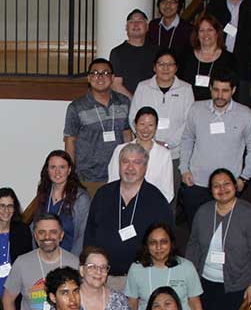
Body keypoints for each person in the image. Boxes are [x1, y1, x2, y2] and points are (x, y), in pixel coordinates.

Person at [185, 170, 251, 310]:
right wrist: (189, 277)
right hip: (204, 283)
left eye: (226, 184)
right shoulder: (204, 212)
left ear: (235, 186)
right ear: (211, 190)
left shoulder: (247, 212)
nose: (222, 189)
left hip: (235, 286)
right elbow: (193, 245)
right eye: (216, 186)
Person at [84, 142, 174, 290]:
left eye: (137, 162)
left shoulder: (157, 201)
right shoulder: (103, 195)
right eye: (125, 162)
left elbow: (167, 245)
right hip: (102, 279)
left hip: (142, 281)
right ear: (119, 165)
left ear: (145, 168)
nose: (130, 168)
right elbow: (89, 236)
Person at [179, 66, 251, 228]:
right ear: (210, 88)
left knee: (225, 233)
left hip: (228, 186)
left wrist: (244, 177)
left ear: (234, 90)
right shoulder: (196, 109)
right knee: (197, 229)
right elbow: (187, 139)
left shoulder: (245, 114)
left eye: (225, 91)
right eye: (216, 90)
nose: (220, 95)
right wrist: (184, 169)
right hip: (196, 183)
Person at [63, 58, 133, 193]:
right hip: (88, 178)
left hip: (118, 175)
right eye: (95, 73)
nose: (100, 77)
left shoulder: (123, 102)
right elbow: (70, 140)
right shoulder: (76, 107)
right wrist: (69, 174)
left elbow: (127, 134)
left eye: (105, 73)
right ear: (89, 78)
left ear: (112, 78)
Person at [2, 213, 79, 310]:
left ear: (61, 235)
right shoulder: (22, 262)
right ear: (35, 236)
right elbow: (7, 300)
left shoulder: (75, 263)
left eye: (53, 232)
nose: (47, 236)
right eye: (42, 232)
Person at [125, 222, 206, 310]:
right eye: (153, 243)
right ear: (147, 246)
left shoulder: (187, 267)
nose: (158, 247)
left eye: (163, 242)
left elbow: (196, 306)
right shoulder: (136, 269)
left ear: (171, 244)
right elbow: (132, 307)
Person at [130, 48, 195, 181]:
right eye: (161, 64)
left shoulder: (186, 89)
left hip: (175, 153)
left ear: (176, 68)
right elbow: (133, 118)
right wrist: (151, 142)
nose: (165, 68)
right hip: (145, 152)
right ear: (154, 67)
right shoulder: (143, 87)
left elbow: (189, 122)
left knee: (170, 194)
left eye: (170, 64)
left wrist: (168, 144)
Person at [107, 106, 176, 203]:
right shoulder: (120, 150)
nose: (146, 129)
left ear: (156, 127)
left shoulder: (164, 154)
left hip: (152, 207)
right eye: (142, 124)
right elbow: (113, 182)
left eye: (150, 125)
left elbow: (167, 191)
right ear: (135, 125)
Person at [30, 150, 91, 256]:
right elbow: (35, 229)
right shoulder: (43, 194)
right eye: (53, 167)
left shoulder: (81, 199)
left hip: (69, 261)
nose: (57, 172)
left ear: (69, 170)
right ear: (47, 170)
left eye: (62, 167)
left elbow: (83, 236)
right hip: (43, 258)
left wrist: (73, 263)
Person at [178, 14, 238, 102]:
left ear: (217, 33)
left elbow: (233, 89)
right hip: (188, 106)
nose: (206, 34)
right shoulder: (186, 56)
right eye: (201, 30)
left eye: (210, 30)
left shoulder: (229, 59)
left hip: (217, 108)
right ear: (197, 35)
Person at [109, 9, 158, 99]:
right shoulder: (117, 52)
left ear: (147, 27)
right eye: (132, 21)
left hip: (153, 100)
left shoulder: (157, 51)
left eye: (140, 21)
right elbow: (116, 85)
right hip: (126, 102)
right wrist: (135, 101)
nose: (136, 24)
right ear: (126, 28)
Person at [147, 0, 193, 67]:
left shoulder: (188, 29)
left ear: (179, 6)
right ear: (159, 4)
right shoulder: (153, 26)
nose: (167, 5)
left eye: (173, 2)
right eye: (164, 1)